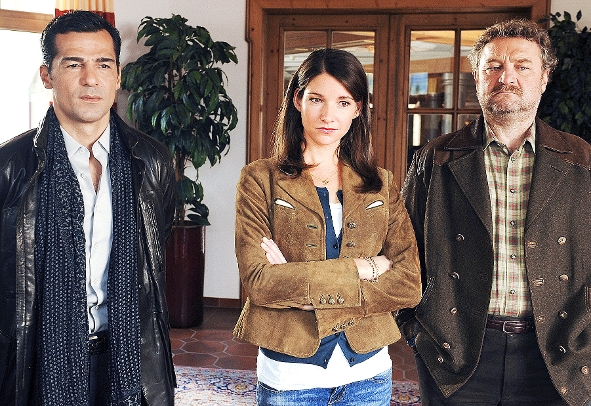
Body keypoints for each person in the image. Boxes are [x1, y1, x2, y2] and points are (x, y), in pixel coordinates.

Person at [398, 17, 591, 406]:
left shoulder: (581, 159)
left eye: (522, 66)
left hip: (558, 354)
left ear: (544, 77)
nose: (507, 77)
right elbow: (400, 250)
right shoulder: (435, 158)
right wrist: (417, 332)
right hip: (457, 352)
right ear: (477, 76)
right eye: (494, 66)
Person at [0, 11, 176, 405]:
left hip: (129, 359)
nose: (91, 78)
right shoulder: (9, 166)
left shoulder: (152, 161)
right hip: (35, 363)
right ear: (47, 75)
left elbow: (154, 249)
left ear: (118, 75)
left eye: (103, 64)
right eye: (74, 64)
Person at [233, 48, 421, 405]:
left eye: (343, 102)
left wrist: (303, 286)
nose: (328, 115)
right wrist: (364, 268)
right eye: (316, 99)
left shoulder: (381, 184)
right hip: (290, 377)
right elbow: (260, 282)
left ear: (358, 109)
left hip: (369, 376)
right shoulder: (260, 179)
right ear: (298, 100)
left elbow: (408, 284)